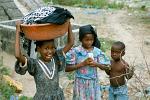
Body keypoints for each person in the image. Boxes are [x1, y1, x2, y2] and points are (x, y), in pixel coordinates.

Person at [14, 20, 74, 100]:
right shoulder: (34, 64)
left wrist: (68, 24)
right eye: (46, 48)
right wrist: (18, 30)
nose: (50, 51)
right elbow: (18, 55)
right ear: (38, 49)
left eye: (52, 48)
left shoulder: (56, 58)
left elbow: (71, 43)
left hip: (57, 97)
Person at [65, 25, 110, 100]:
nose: (89, 42)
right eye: (86, 40)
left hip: (93, 83)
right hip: (80, 83)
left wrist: (97, 64)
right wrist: (82, 64)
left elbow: (107, 67)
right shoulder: (76, 51)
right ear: (81, 39)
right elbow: (67, 68)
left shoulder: (97, 51)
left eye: (91, 40)